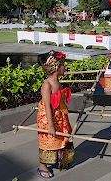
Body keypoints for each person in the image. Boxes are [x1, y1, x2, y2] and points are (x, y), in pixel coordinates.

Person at [37, 51, 74, 179]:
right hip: (48, 117)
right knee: (49, 140)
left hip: (59, 115)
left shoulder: (57, 81)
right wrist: (51, 125)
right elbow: (47, 106)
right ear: (56, 67)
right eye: (63, 65)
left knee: (62, 137)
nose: (65, 67)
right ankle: (43, 166)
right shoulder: (47, 85)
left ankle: (61, 160)